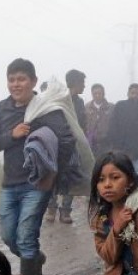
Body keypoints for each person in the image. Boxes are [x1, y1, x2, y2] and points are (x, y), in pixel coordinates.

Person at [0, 58, 75, 275]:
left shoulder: (45, 108)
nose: (16, 84)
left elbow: (66, 141)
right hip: (9, 183)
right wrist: (11, 135)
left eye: (21, 79)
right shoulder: (3, 108)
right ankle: (35, 259)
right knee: (8, 235)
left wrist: (53, 173)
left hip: (36, 185)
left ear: (33, 81)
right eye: (11, 79)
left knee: (25, 235)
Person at [46, 69, 87, 224]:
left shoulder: (79, 102)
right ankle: (51, 208)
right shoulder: (59, 98)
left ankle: (65, 211)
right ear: (76, 83)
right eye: (82, 82)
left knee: (70, 177)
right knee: (52, 174)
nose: (84, 86)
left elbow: (81, 123)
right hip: (56, 144)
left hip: (73, 145)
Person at [106, 83, 138, 186]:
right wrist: (117, 147)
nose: (134, 96)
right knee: (121, 178)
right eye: (132, 93)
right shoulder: (120, 106)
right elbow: (113, 128)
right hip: (121, 152)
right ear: (128, 93)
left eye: (137, 93)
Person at [84, 83, 114, 159]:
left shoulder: (111, 107)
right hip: (91, 144)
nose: (97, 95)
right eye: (95, 93)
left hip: (107, 144)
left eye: (99, 93)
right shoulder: (86, 108)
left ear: (103, 94)